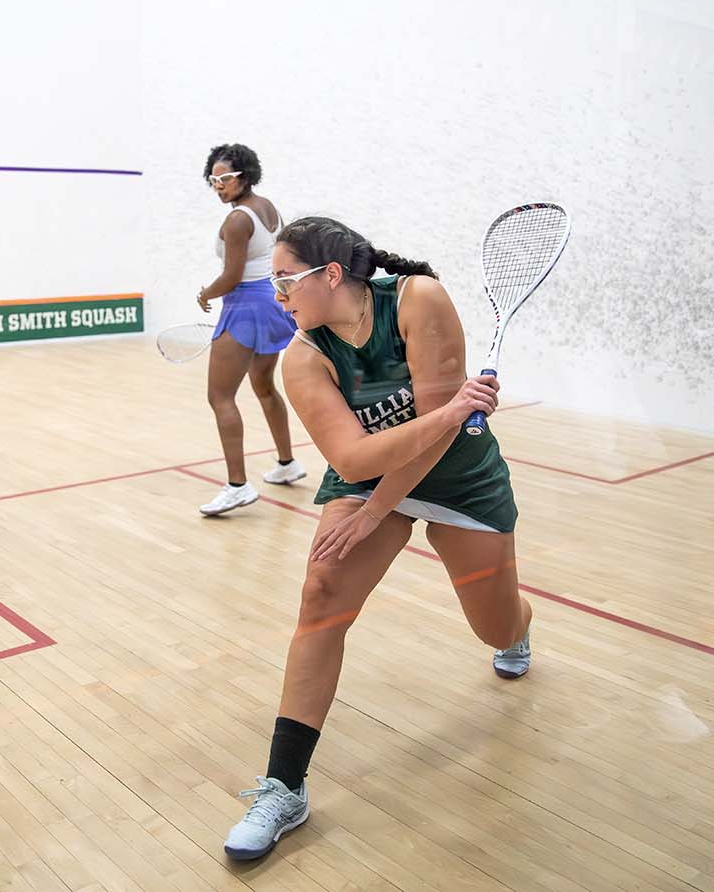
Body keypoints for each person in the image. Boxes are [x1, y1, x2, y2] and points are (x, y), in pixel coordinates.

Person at [222, 216, 533, 860]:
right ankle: (284, 787)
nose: (277, 296)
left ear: (330, 275)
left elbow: (443, 434)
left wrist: (373, 511)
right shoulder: (303, 357)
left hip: (462, 483)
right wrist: (368, 508)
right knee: (322, 592)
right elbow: (355, 459)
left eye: (284, 281)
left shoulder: (419, 298)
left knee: (495, 630)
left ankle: (519, 625)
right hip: (371, 480)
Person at [195, 144, 305, 516]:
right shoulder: (267, 207)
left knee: (220, 396)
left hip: (245, 307)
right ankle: (288, 462)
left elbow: (231, 277)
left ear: (244, 175)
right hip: (272, 302)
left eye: (224, 178)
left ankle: (237, 486)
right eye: (213, 180)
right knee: (262, 384)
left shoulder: (237, 220)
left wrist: (205, 294)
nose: (218, 186)